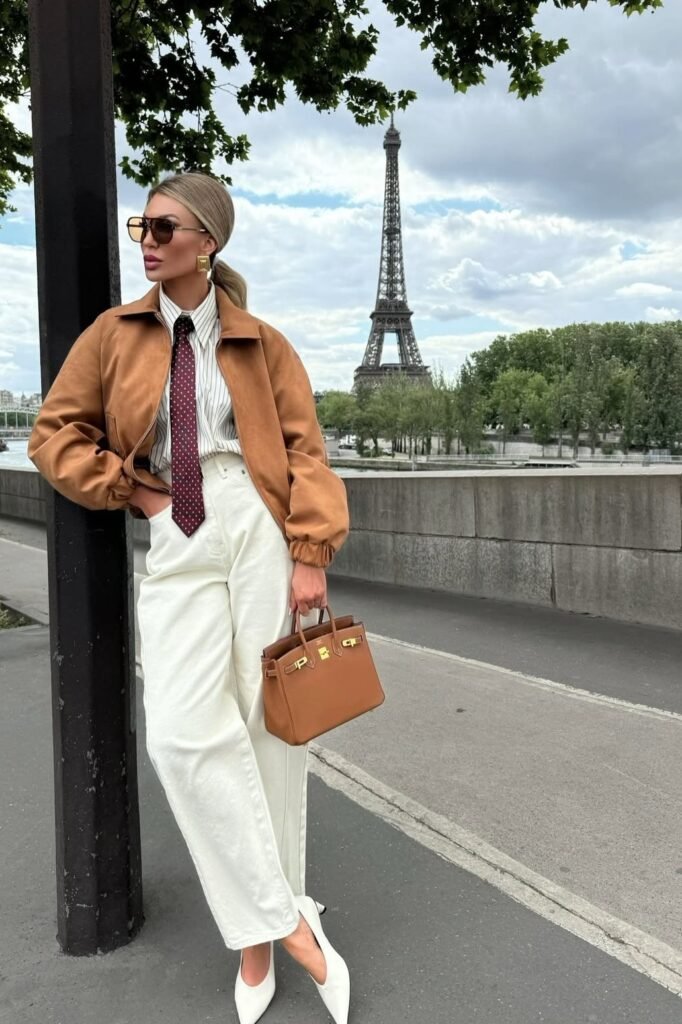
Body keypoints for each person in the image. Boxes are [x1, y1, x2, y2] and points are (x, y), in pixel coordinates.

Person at [28, 171, 351, 1024]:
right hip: (175, 520)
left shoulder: (262, 343)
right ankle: (287, 924)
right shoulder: (116, 334)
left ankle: (254, 939)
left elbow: (305, 449)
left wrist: (310, 552)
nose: (148, 237)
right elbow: (54, 431)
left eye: (166, 226)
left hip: (256, 521)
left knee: (267, 724)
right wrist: (131, 493)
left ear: (208, 241)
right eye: (144, 223)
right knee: (179, 731)